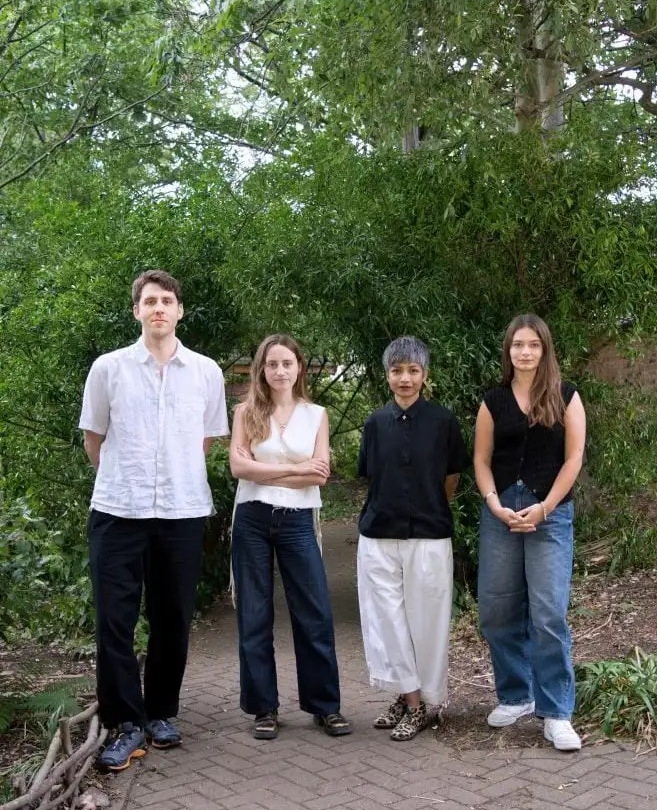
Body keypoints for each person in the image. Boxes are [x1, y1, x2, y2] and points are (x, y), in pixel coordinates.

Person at [79, 269, 229, 771]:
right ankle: (126, 724)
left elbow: (205, 442)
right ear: (137, 311)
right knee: (114, 624)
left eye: (167, 300)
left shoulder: (207, 371)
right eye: (150, 301)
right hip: (118, 511)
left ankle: (162, 713)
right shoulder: (109, 368)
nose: (159, 308)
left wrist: (170, 481)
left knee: (172, 619)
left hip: (182, 512)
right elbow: (93, 438)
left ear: (180, 311)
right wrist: (127, 480)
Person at [229, 334, 351, 740]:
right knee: (254, 613)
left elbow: (321, 472)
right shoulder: (247, 412)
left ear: (299, 367)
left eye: (287, 363)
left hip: (298, 520)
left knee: (314, 611)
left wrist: (263, 467)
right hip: (252, 518)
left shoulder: (316, 414)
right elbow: (237, 468)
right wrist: (294, 470)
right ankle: (264, 707)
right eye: (271, 364)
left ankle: (325, 707)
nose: (279, 371)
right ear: (261, 370)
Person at [474, 313, 586, 752]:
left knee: (549, 614)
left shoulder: (566, 396)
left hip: (550, 513)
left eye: (533, 345)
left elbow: (573, 459)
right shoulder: (493, 401)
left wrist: (544, 507)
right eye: (517, 344)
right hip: (500, 511)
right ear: (509, 350)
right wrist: (494, 504)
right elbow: (481, 460)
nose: (525, 351)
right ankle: (516, 695)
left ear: (544, 349)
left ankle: (556, 711)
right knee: (497, 611)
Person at [356, 337, 470, 741]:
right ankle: (411, 701)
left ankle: (418, 700)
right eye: (397, 371)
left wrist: (428, 507)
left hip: (429, 535)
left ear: (425, 374)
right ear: (387, 375)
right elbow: (371, 476)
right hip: (379, 535)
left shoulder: (443, 422)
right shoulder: (374, 423)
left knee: (426, 623)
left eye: (413, 370)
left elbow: (451, 477)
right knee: (388, 621)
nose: (405, 379)